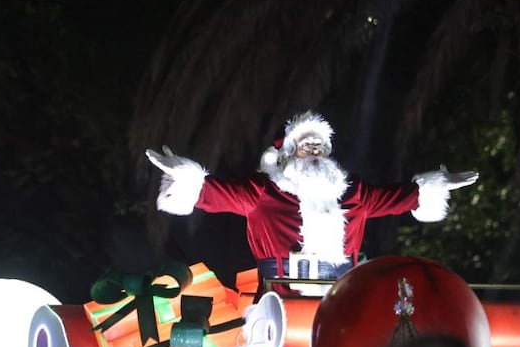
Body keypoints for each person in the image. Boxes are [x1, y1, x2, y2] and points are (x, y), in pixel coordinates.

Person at [146, 110, 479, 295]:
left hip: (343, 300)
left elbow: (402, 198)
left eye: (320, 147)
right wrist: (185, 177)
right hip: (280, 301)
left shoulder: (353, 194)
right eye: (307, 146)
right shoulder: (266, 191)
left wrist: (436, 186)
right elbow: (213, 194)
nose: (316, 151)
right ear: (289, 153)